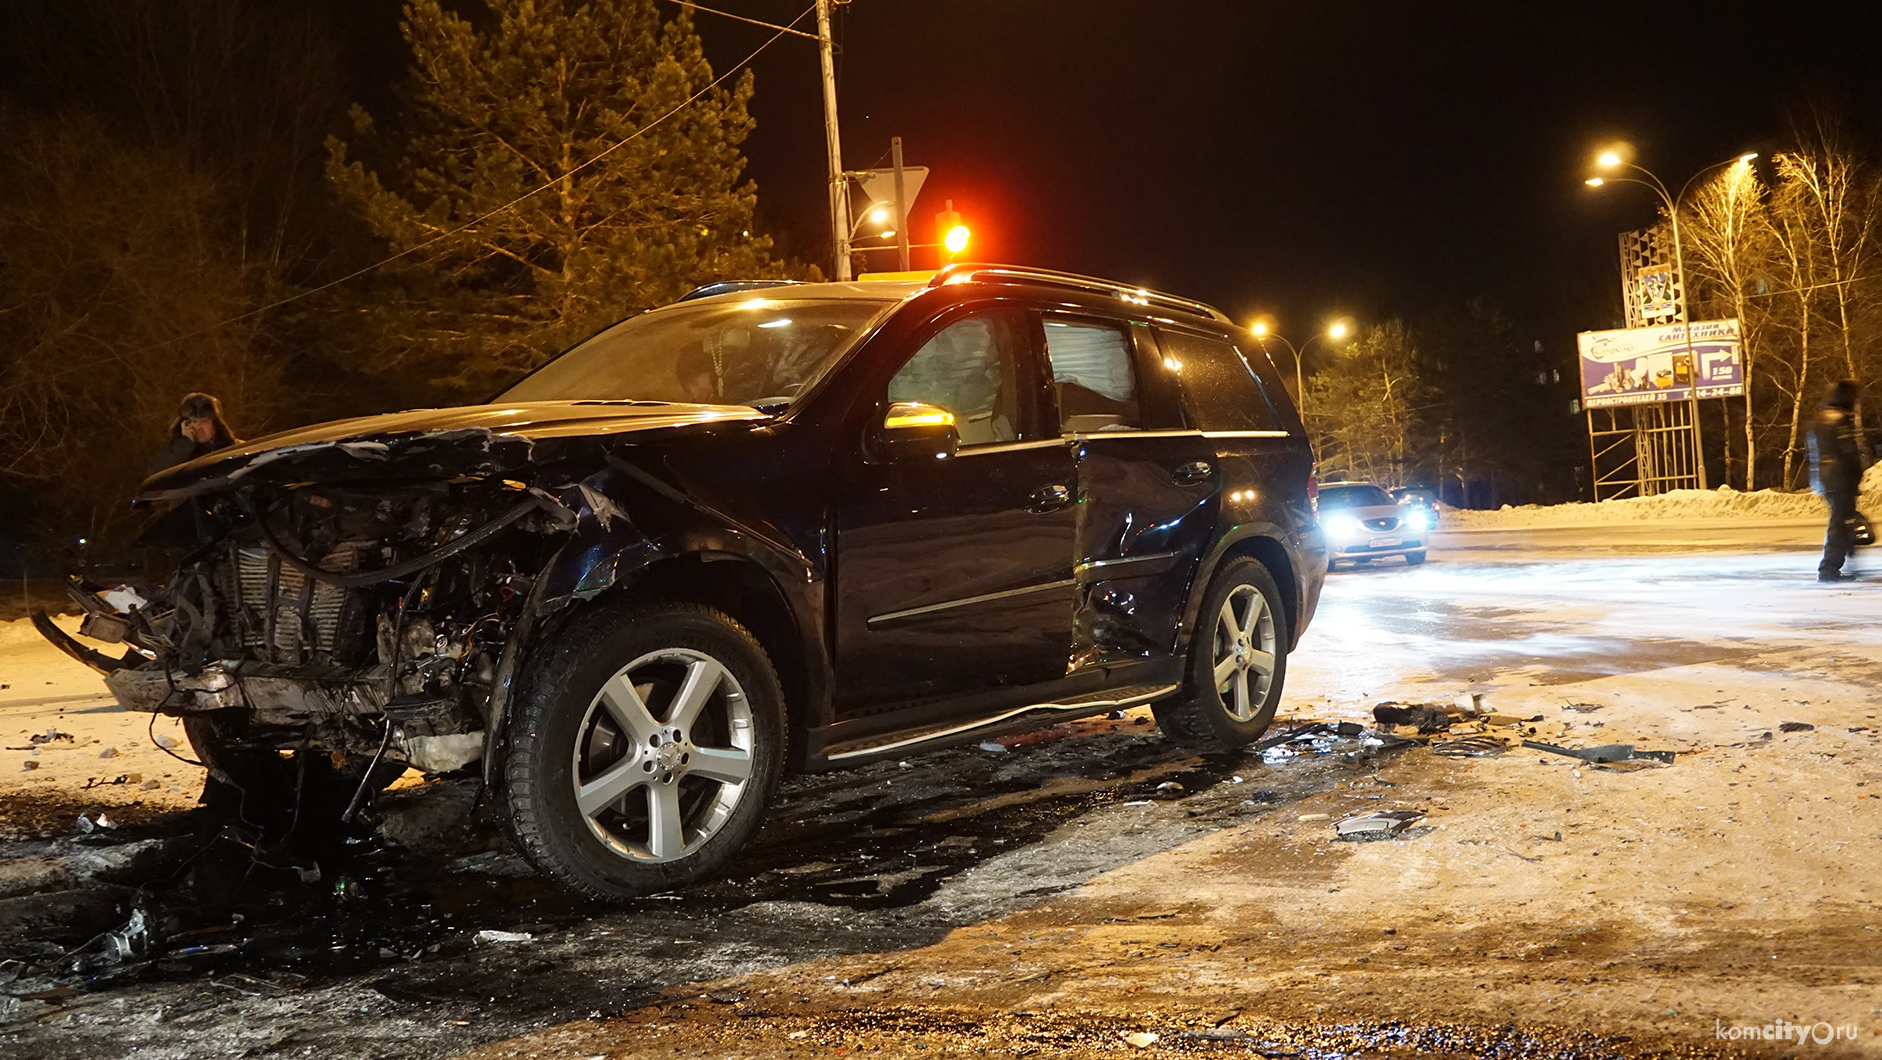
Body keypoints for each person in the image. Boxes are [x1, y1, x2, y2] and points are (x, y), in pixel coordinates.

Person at [1807, 380, 1868, 582]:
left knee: (1842, 521)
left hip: (1825, 477)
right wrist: (1857, 473)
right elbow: (1849, 452)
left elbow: (1813, 450)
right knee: (1840, 524)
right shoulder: (1841, 420)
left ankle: (1843, 559)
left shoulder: (1818, 419)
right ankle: (1829, 569)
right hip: (1841, 476)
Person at [148, 392, 240, 475]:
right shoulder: (178, 452)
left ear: (215, 425)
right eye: (194, 421)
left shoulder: (235, 449)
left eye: (204, 421)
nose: (198, 427)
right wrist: (185, 442)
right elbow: (156, 474)